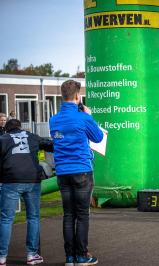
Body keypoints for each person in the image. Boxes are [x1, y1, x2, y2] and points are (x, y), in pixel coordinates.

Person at [49, 80, 103, 266]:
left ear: (63, 96)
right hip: (81, 170)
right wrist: (89, 116)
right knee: (82, 214)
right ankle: (81, 256)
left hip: (62, 172)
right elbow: (98, 137)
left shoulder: (53, 119)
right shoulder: (83, 117)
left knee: (68, 215)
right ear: (78, 96)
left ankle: (69, 257)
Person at [0, 119, 53, 266]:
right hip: (32, 180)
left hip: (11, 180)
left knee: (6, 219)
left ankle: (2, 256)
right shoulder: (32, 136)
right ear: (20, 127)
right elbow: (51, 146)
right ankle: (31, 255)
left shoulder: (3, 139)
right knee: (33, 217)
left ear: (6, 129)